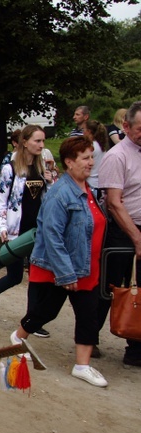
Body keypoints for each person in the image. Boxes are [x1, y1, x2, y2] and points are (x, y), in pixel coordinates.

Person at [11, 136, 107, 386]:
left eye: (91, 157)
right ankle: (18, 337)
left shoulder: (87, 189)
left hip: (86, 266)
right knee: (45, 312)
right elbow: (51, 235)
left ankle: (82, 365)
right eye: (85, 158)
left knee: (89, 314)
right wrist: (66, 273)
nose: (90, 162)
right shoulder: (61, 194)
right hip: (61, 268)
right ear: (69, 162)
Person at [0, 125, 55, 325]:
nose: (41, 145)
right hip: (16, 230)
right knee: (14, 277)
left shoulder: (42, 169)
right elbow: (0, 200)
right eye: (37, 141)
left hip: (38, 230)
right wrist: (2, 227)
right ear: (25, 142)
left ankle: (31, 320)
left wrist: (50, 182)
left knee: (36, 277)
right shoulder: (10, 169)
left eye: (43, 141)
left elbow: (49, 199)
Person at [97, 101, 141, 367]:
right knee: (109, 288)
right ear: (125, 126)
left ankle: (135, 349)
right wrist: (136, 237)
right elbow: (114, 203)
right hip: (122, 231)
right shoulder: (117, 156)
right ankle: (88, 340)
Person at [84, 119, 108, 191]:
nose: (83, 132)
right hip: (99, 183)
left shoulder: (90, 147)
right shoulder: (101, 146)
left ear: (88, 131)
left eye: (84, 130)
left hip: (89, 183)